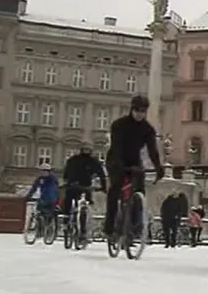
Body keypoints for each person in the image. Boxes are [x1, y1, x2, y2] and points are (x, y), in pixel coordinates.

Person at [102, 95, 165, 238]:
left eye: (143, 111)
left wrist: (158, 167)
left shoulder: (147, 129)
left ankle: (136, 225)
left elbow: (152, 150)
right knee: (115, 188)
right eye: (137, 110)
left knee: (140, 190)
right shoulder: (119, 124)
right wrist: (118, 164)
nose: (140, 114)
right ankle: (109, 226)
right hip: (115, 158)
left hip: (133, 160)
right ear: (132, 109)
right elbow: (117, 146)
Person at [62, 142, 105, 240]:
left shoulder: (93, 161)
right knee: (68, 201)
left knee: (85, 206)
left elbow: (101, 174)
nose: (86, 151)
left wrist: (103, 186)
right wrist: (67, 181)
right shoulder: (74, 160)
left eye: (88, 150)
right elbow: (67, 171)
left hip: (86, 186)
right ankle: (66, 221)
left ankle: (83, 230)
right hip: (74, 185)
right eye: (85, 149)